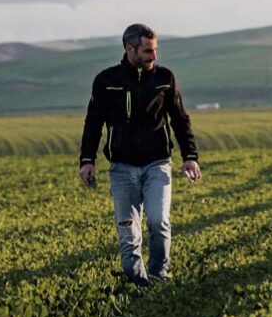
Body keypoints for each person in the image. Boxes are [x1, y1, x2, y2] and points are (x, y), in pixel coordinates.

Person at [79, 23, 201, 286]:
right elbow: (93, 122)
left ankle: (159, 275)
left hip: (158, 164)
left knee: (159, 221)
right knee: (128, 231)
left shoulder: (164, 78)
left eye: (155, 50)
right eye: (147, 51)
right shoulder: (106, 81)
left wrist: (190, 156)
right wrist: (87, 160)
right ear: (129, 48)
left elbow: (180, 119)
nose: (154, 56)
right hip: (121, 168)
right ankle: (138, 282)